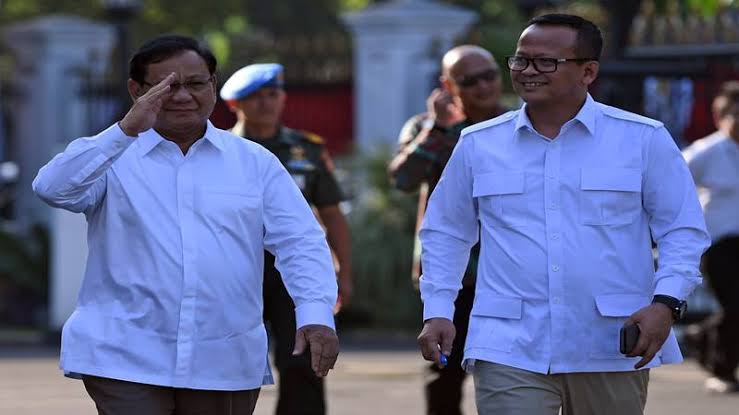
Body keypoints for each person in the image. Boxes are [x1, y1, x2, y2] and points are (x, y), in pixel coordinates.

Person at [416, 14, 710, 415]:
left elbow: (683, 231)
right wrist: (437, 309)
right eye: (521, 60)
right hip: (507, 344)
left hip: (610, 341)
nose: (528, 71)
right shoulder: (479, 144)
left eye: (546, 62)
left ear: (588, 71)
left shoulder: (642, 139)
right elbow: (445, 232)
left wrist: (666, 303)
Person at [32, 35, 340, 415]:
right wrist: (125, 131)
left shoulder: (253, 162)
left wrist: (315, 313)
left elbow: (300, 241)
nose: (182, 96)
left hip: (222, 357)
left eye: (195, 84)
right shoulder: (112, 157)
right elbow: (52, 188)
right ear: (136, 90)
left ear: (213, 85)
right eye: (166, 86)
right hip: (125, 354)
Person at [219, 63, 352, 415]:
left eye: (272, 94)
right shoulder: (218, 150)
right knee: (226, 358)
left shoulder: (306, 149)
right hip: (232, 268)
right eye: (255, 97)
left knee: (302, 358)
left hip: (290, 270)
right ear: (234, 104)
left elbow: (331, 213)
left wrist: (343, 271)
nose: (265, 103)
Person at [388, 45, 507, 415]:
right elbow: (403, 180)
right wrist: (437, 128)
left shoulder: (519, 123)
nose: (483, 86)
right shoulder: (426, 128)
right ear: (447, 85)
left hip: (509, 270)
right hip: (453, 273)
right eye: (470, 81)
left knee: (511, 370)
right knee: (444, 370)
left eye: (489, 75)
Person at [682, 81, 739, 394]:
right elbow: (670, 185)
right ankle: (722, 370)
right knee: (735, 304)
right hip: (718, 244)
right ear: (721, 117)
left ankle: (701, 336)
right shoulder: (705, 152)